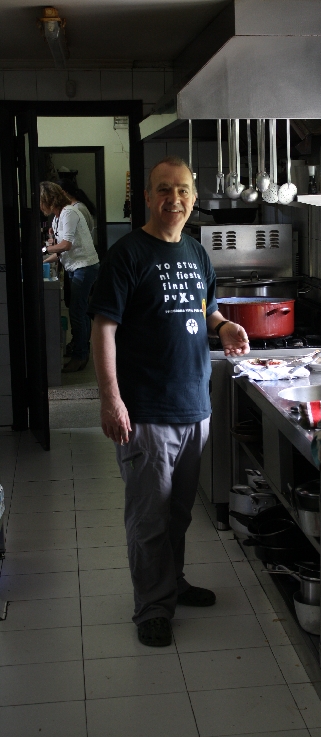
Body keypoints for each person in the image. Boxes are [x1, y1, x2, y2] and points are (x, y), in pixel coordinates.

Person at [89, 156, 250, 648]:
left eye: (182, 190)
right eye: (163, 189)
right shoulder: (127, 255)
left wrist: (225, 326)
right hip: (146, 411)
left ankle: (171, 584)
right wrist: (111, 399)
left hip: (194, 406)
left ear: (194, 199)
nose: (173, 199)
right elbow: (104, 329)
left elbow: (207, 309)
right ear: (148, 197)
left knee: (178, 514)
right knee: (149, 519)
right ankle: (152, 608)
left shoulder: (197, 253)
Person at [40, 182, 100, 373]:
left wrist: (44, 249)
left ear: (49, 199)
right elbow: (60, 252)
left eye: (41, 201)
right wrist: (42, 260)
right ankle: (81, 351)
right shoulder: (57, 218)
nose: (40, 205)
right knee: (78, 311)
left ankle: (80, 356)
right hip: (75, 266)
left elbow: (66, 245)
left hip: (85, 266)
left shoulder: (69, 212)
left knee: (77, 312)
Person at [56, 178, 98, 356]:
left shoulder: (75, 210)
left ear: (64, 193)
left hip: (82, 262)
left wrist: (48, 248)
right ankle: (80, 345)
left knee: (78, 310)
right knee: (79, 309)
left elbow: (72, 241)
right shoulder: (73, 209)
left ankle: (81, 350)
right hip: (77, 263)